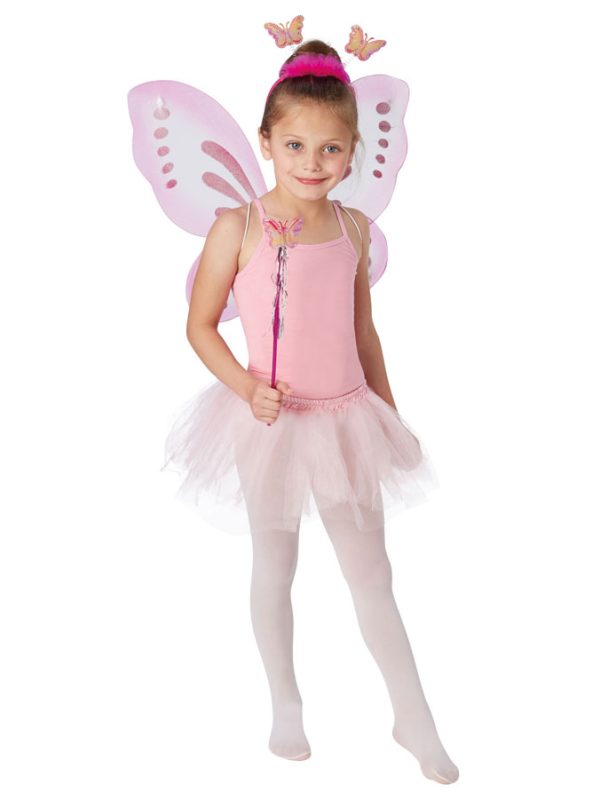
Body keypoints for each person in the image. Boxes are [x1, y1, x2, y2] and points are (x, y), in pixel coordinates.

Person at [160, 39, 459, 784]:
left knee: (373, 574)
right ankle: (285, 702)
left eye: (330, 148)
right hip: (269, 421)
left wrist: (391, 416)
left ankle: (414, 716)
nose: (312, 162)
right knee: (276, 562)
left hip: (348, 418)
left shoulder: (353, 228)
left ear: (353, 151)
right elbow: (200, 325)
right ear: (265, 142)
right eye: (294, 144)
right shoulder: (239, 226)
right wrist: (245, 386)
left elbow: (363, 332)